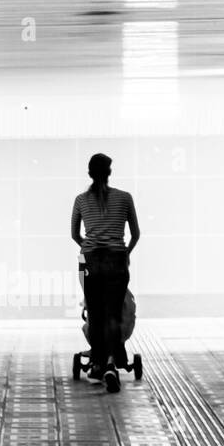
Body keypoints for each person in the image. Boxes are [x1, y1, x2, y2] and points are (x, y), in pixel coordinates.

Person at [71, 153, 140, 393]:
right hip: (116, 260)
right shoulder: (125, 198)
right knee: (114, 313)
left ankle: (98, 363)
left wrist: (89, 246)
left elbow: (74, 235)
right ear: (109, 173)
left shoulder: (81, 200)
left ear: (89, 173)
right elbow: (136, 234)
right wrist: (125, 252)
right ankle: (112, 363)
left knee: (96, 313)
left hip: (90, 260)